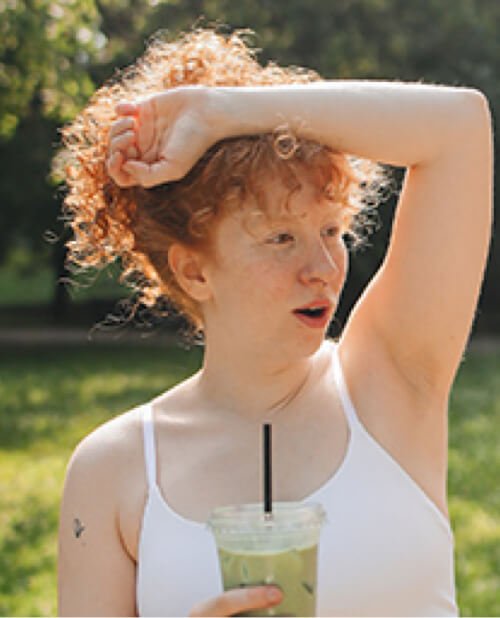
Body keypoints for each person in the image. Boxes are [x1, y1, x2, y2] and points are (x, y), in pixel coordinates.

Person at [56, 28, 492, 617]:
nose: (323, 269)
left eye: (331, 230)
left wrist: (223, 113)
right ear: (194, 271)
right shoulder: (114, 470)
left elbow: (458, 126)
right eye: (281, 238)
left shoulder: (388, 378)